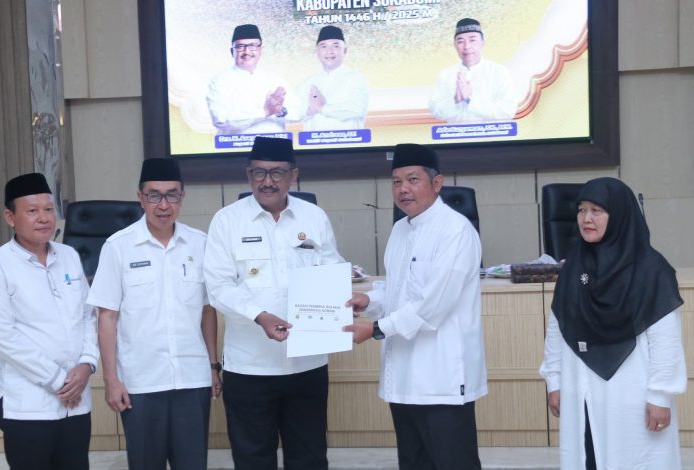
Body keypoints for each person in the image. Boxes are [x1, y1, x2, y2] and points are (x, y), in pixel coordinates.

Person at [203, 136, 345, 470]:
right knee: (253, 459)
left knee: (309, 457)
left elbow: (330, 266)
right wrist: (260, 315)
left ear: (293, 175)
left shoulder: (314, 217)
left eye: (277, 172)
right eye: (259, 172)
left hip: (307, 363)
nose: (268, 181)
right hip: (250, 367)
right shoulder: (227, 221)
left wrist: (342, 289)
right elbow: (218, 286)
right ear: (248, 175)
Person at [344, 143, 487, 470]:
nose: (403, 189)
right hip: (403, 378)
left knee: (453, 464)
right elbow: (399, 290)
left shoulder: (455, 231)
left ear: (436, 183)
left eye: (412, 179)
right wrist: (370, 300)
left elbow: (433, 305)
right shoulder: (400, 229)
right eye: (396, 182)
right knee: (414, 462)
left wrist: (375, 329)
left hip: (441, 378)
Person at [539, 177, 686, 469]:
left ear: (618, 213)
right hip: (580, 389)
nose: (586, 218)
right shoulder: (575, 266)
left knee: (635, 459)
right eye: (581, 210)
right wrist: (554, 380)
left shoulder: (651, 270)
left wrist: (660, 395)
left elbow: (666, 340)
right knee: (589, 457)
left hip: (632, 395)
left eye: (597, 210)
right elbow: (558, 327)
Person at [86, 158, 221, 469]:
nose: (163, 205)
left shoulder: (200, 244)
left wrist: (213, 367)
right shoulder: (118, 247)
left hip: (192, 378)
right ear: (140, 197)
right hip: (140, 382)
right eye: (154, 195)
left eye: (172, 195)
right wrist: (111, 379)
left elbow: (207, 310)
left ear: (182, 196)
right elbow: (107, 317)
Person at [0, 173, 98, 470]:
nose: (43, 218)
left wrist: (87, 364)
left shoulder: (69, 256)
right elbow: (3, 336)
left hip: (76, 403)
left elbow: (88, 315)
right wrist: (58, 380)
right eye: (32, 211)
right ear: (10, 217)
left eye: (48, 209)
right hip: (28, 405)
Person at [207, 24, 300, 135]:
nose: (247, 51)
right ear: (232, 51)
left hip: (275, 143)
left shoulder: (275, 80)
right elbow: (220, 119)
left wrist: (280, 111)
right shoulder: (220, 81)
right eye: (240, 46)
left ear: (261, 50)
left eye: (252, 46)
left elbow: (298, 113)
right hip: (237, 145)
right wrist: (265, 111)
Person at [428, 18, 517, 123]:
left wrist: (470, 99)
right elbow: (436, 112)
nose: (467, 46)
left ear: (482, 43)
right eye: (461, 41)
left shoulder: (499, 72)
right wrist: (456, 101)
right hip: (456, 133)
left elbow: (507, 112)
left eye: (472, 40)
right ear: (455, 45)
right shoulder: (446, 75)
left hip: (491, 133)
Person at [297, 25, 369, 131]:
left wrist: (322, 107)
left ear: (345, 50)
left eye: (335, 46)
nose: (329, 51)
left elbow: (357, 109)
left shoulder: (356, 78)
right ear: (317, 52)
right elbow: (297, 112)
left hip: (349, 140)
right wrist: (308, 111)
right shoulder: (308, 82)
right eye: (324, 46)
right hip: (314, 140)